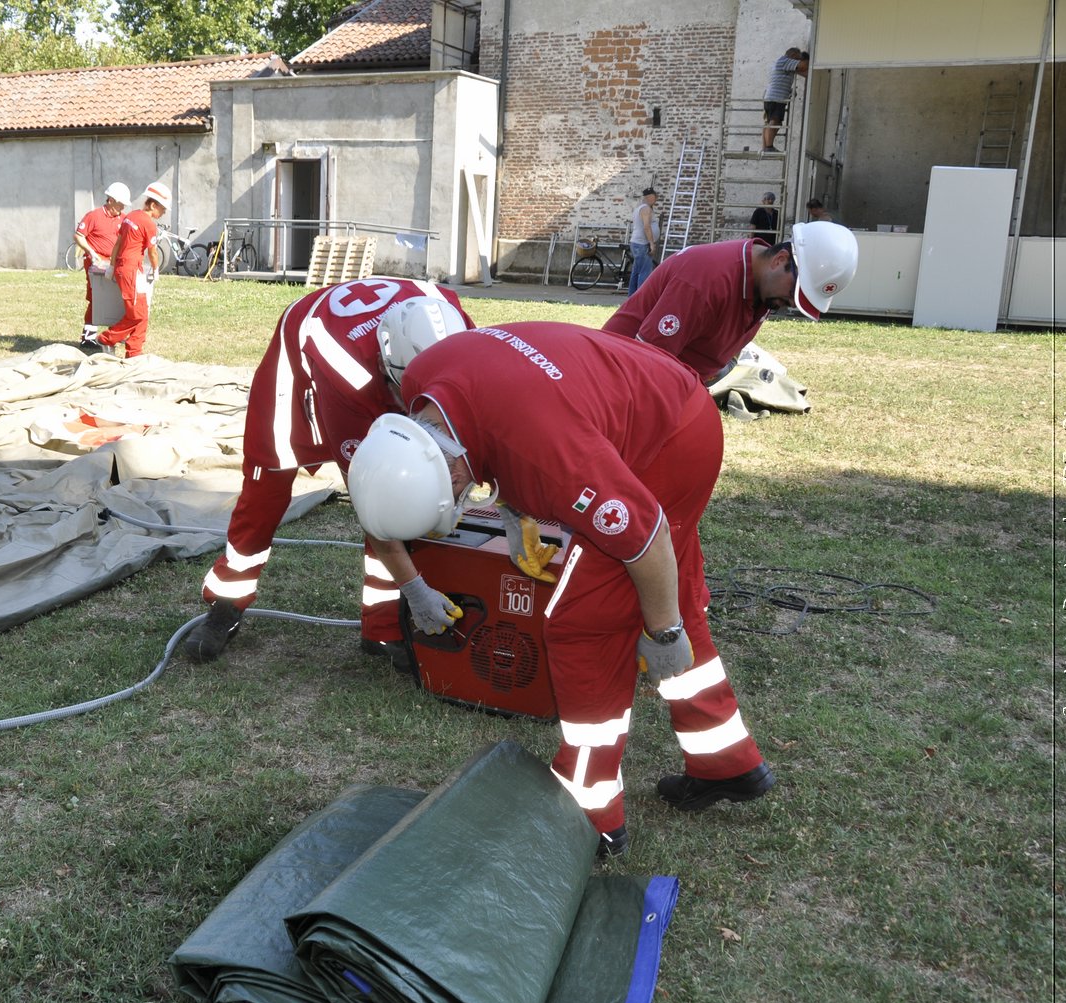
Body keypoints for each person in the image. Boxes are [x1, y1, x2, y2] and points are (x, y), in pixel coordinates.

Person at [346, 321, 777, 858]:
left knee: (584, 625)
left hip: (673, 440)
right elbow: (496, 420)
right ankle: (725, 760)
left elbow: (645, 537)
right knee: (664, 599)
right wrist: (515, 507)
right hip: (640, 394)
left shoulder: (548, 454)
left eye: (454, 499)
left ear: (452, 472)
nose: (460, 504)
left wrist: (664, 633)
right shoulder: (425, 388)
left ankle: (589, 811)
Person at [182, 279, 473, 668]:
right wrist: (417, 591)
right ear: (388, 367)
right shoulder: (348, 370)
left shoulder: (457, 327)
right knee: (266, 487)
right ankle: (227, 601)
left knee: (408, 485)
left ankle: (383, 627)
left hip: (366, 355)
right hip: (300, 367)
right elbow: (374, 501)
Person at [602, 220, 860, 383]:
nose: (792, 303)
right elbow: (644, 366)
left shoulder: (767, 288)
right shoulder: (706, 281)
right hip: (618, 379)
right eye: (796, 292)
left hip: (677, 385)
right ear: (780, 260)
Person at [97, 181, 168, 358]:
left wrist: (112, 266)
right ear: (153, 205)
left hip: (128, 270)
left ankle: (134, 352)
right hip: (131, 272)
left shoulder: (131, 216)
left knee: (142, 313)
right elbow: (152, 252)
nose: (164, 212)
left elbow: (118, 244)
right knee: (137, 314)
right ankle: (106, 339)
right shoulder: (149, 225)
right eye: (163, 208)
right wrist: (156, 269)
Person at [74, 182, 130, 347]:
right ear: (111, 200)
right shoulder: (94, 216)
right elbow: (78, 236)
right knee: (96, 298)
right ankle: (88, 337)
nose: (121, 208)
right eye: (120, 203)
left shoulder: (123, 218)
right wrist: (92, 252)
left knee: (116, 297)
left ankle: (114, 334)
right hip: (96, 263)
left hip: (114, 263)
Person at [762, 48, 809, 153]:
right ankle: (768, 147)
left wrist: (789, 90)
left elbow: (804, 72)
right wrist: (806, 59)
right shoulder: (784, 61)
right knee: (774, 121)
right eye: (797, 59)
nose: (797, 62)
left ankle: (766, 147)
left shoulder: (786, 65)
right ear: (792, 55)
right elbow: (804, 66)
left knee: (771, 122)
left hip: (772, 97)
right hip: (776, 98)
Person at [627, 188, 658, 295]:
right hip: (642, 244)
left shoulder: (639, 208)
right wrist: (651, 244)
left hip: (637, 243)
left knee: (636, 272)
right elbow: (646, 227)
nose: (656, 199)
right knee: (644, 272)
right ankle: (640, 298)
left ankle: (632, 297)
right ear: (650, 197)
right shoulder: (646, 209)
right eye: (655, 197)